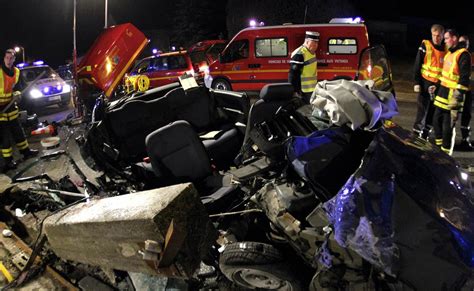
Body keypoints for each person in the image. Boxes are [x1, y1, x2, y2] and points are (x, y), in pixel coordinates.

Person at [433, 29, 471, 155]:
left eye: (447, 38)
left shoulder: (463, 54)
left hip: (452, 96)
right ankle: (439, 149)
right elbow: (445, 74)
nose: (445, 41)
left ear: (454, 38)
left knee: (447, 127)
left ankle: (445, 154)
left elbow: (465, 77)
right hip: (442, 93)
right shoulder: (449, 54)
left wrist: (458, 95)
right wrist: (436, 86)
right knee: (436, 121)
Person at [0, 49, 39, 171]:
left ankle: (26, 152)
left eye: (11, 58)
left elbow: (18, 87)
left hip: (11, 107)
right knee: (4, 137)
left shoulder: (16, 71)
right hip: (0, 109)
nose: (9, 60)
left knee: (18, 132)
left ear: (14, 59)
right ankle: (8, 161)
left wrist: (17, 93)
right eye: (7, 58)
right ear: (3, 58)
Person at [412, 24, 446, 140]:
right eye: (434, 35)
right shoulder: (425, 45)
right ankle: (416, 135)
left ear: (443, 36)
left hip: (438, 86)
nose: (437, 38)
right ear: (432, 34)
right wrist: (416, 82)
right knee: (421, 111)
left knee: (432, 111)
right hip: (424, 83)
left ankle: (425, 135)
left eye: (439, 36)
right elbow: (418, 64)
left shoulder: (447, 49)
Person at [289, 31, 319, 103]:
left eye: (317, 43)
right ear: (307, 41)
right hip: (303, 91)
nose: (316, 45)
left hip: (312, 89)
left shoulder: (312, 52)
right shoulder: (300, 54)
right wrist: (294, 91)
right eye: (313, 42)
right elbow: (293, 74)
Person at [454, 35, 473, 151]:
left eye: (465, 43)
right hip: (456, 91)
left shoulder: (470, 56)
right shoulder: (455, 55)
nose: (463, 45)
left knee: (466, 116)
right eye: (461, 42)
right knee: (452, 117)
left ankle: (465, 140)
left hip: (469, 92)